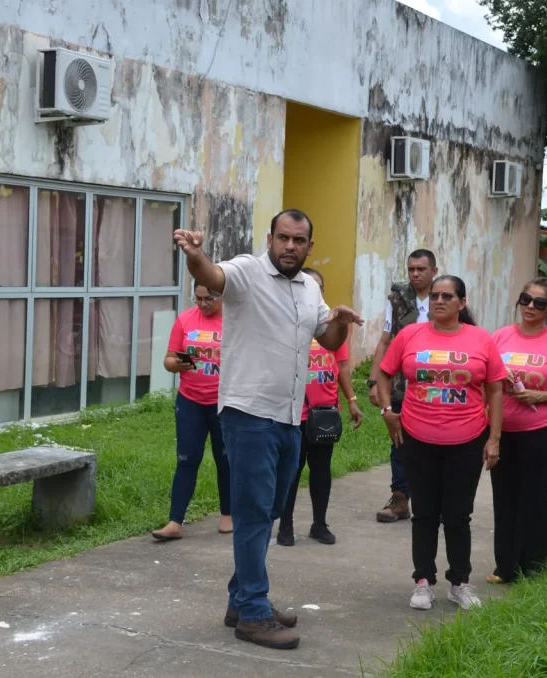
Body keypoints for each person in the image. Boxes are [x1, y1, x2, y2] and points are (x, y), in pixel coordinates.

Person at [173, 209, 362, 651]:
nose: (290, 246)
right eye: (283, 238)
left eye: (299, 240)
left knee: (272, 509)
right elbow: (211, 275)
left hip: (289, 416)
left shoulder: (309, 286)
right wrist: (195, 256)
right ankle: (254, 614)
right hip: (249, 413)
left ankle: (241, 600)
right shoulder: (247, 271)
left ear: (310, 246)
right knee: (254, 512)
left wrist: (339, 320)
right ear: (270, 238)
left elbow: (329, 341)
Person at [375, 275, 506, 611]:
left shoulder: (481, 340)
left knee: (458, 514)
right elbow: (385, 373)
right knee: (424, 513)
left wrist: (494, 438)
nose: (439, 301)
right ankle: (423, 581)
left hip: (467, 438)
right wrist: (388, 410)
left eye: (447, 296)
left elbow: (494, 389)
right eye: (434, 296)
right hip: (417, 437)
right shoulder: (410, 335)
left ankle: (459, 582)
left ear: (462, 303)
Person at [488, 278, 547, 585]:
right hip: (502, 429)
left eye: (539, 303)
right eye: (526, 299)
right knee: (504, 497)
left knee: (535, 497)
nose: (530, 307)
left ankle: (537, 567)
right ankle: (507, 567)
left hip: (541, 430)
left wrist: (540, 397)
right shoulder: (499, 338)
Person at [277, 268, 363, 548]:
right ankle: (285, 525)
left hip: (324, 413)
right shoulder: (289, 323)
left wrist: (351, 402)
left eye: (319, 287)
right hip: (293, 413)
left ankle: (319, 523)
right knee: (291, 470)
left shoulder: (333, 326)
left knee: (321, 470)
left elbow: (342, 368)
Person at [151, 281, 232, 541]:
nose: (203, 304)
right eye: (198, 298)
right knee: (186, 460)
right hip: (190, 402)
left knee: (226, 460)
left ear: (223, 295)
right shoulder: (185, 320)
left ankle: (228, 515)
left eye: (209, 299)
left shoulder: (235, 320)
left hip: (224, 404)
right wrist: (178, 364)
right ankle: (175, 521)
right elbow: (168, 359)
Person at [367, 249, 438, 523]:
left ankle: (432, 500)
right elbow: (385, 339)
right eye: (411, 269)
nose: (416, 274)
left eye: (421, 269)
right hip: (400, 383)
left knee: (434, 444)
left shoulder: (445, 296)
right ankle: (399, 500)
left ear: (434, 270)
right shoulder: (397, 299)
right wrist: (374, 381)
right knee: (399, 442)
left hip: (436, 387)